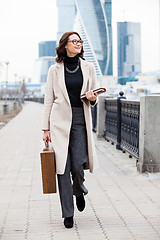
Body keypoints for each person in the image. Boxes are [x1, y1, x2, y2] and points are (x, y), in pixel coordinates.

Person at [42, 31, 99, 229]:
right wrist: (45, 128)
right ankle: (68, 214)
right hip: (58, 122)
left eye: (80, 41)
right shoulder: (54, 69)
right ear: (65, 45)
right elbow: (48, 100)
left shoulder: (88, 67)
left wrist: (93, 97)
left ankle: (78, 190)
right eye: (74, 41)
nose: (78, 44)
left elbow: (93, 96)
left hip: (80, 120)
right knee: (62, 168)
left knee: (77, 165)